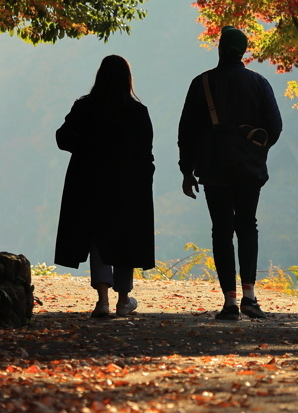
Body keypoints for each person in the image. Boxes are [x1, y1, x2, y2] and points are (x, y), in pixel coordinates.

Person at [178, 26, 282, 321]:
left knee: (221, 231)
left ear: (221, 49)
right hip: (250, 170)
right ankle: (250, 297)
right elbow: (274, 127)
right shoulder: (259, 84)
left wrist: (187, 170)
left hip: (214, 169)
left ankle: (229, 303)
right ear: (244, 52)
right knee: (248, 226)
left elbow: (186, 131)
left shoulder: (202, 83)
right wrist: (256, 150)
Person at [54, 55, 155, 318]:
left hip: (88, 181)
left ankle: (102, 301)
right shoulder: (137, 111)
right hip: (127, 184)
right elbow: (145, 153)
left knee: (97, 237)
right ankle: (123, 300)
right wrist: (145, 181)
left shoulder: (85, 107)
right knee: (124, 239)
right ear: (127, 79)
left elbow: (63, 139)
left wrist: (86, 148)